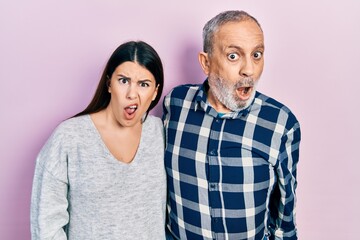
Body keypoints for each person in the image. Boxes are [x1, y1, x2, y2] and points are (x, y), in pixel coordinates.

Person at [163, 10, 301, 240]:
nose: (249, 69)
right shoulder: (175, 104)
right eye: (234, 56)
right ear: (206, 63)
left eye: (257, 55)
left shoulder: (281, 123)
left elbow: (284, 215)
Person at [31, 41, 166, 239]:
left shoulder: (159, 133)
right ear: (109, 84)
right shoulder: (69, 137)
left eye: (143, 84)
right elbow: (46, 226)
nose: (131, 94)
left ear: (155, 92)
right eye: (123, 80)